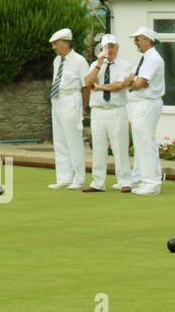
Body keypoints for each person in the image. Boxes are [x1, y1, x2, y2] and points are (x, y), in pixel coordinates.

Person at [82, 34, 134, 192]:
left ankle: (125, 181)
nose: (109, 50)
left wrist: (101, 87)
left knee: (120, 147)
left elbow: (119, 85)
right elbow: (88, 83)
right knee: (98, 148)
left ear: (117, 48)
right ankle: (97, 182)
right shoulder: (95, 65)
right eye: (106, 47)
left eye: (112, 47)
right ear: (101, 49)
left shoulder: (125, 65)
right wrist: (98, 65)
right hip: (98, 111)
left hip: (116, 110)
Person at [124, 26, 165, 196]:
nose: (135, 42)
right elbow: (131, 78)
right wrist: (133, 81)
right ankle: (145, 180)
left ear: (148, 40)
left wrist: (132, 84)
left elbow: (139, 83)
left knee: (146, 142)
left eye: (138, 39)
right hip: (140, 103)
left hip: (147, 103)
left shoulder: (153, 58)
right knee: (141, 142)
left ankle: (152, 183)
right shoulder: (144, 58)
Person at [47, 28, 89, 189]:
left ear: (66, 43)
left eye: (56, 44)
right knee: (59, 140)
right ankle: (63, 177)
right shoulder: (57, 61)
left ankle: (79, 178)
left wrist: (83, 106)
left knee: (74, 140)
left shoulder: (79, 61)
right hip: (57, 100)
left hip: (72, 99)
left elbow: (86, 86)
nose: (54, 48)